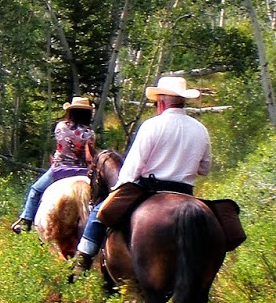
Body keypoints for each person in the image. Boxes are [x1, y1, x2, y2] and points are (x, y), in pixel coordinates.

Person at [73, 75, 211, 270]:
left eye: (155, 103)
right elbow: (204, 169)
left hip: (149, 189)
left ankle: (83, 259)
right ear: (182, 102)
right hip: (186, 192)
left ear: (161, 103)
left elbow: (133, 168)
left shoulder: (152, 126)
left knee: (98, 212)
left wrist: (119, 188)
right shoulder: (200, 129)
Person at [11, 96, 98, 233]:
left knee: (35, 190)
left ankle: (26, 220)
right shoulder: (89, 132)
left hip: (59, 170)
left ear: (71, 111)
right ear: (87, 114)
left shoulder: (60, 127)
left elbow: (61, 146)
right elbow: (88, 157)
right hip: (82, 171)